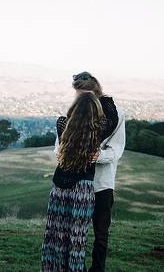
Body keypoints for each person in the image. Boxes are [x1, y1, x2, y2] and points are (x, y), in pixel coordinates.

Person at [54, 72, 126, 272]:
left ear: (96, 94)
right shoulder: (71, 114)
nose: (80, 100)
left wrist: (98, 156)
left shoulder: (116, 115)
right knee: (73, 232)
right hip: (76, 184)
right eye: (78, 95)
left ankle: (97, 268)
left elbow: (117, 149)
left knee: (101, 233)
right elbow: (58, 148)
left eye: (84, 96)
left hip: (102, 183)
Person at [41, 92, 107, 272]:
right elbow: (110, 116)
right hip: (82, 189)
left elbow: (67, 121)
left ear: (74, 108)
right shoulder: (99, 128)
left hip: (59, 188)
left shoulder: (62, 124)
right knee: (76, 240)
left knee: (56, 237)